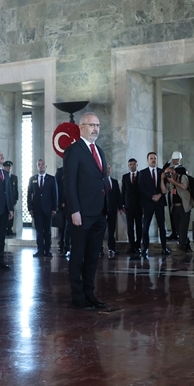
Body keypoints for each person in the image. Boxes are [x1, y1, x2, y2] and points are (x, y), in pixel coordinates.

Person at [64, 112, 109, 309]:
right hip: (81, 213)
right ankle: (77, 296)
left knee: (93, 255)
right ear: (81, 127)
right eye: (92, 125)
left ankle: (89, 292)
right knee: (78, 254)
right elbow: (70, 183)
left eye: (97, 125)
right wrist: (74, 210)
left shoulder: (99, 150)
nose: (95, 129)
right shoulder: (74, 150)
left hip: (99, 213)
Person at [138, 152, 171, 257]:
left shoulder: (162, 172)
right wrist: (152, 197)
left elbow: (165, 188)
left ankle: (164, 247)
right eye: (151, 158)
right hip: (148, 203)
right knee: (146, 226)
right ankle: (145, 248)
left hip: (159, 203)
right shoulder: (142, 173)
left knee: (162, 226)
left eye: (154, 158)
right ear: (147, 160)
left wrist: (159, 195)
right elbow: (141, 188)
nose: (153, 160)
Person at [28, 159, 58, 257]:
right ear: (36, 167)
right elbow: (29, 195)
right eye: (39, 165)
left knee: (47, 231)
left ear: (46, 166)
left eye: (42, 164)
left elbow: (55, 194)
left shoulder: (51, 179)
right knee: (39, 231)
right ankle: (40, 250)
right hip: (37, 209)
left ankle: (47, 250)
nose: (41, 166)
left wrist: (54, 208)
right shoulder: (33, 179)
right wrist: (30, 208)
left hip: (48, 209)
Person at [167, 166, 194, 251]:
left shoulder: (183, 177)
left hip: (184, 206)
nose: (169, 174)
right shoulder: (170, 180)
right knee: (177, 228)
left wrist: (173, 181)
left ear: (174, 171)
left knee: (183, 228)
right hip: (175, 207)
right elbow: (166, 190)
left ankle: (181, 248)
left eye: (170, 172)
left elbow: (184, 187)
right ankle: (186, 244)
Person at [121, 158, 142, 255]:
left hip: (139, 205)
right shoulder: (125, 177)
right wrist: (122, 205)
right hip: (129, 206)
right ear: (128, 166)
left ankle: (138, 245)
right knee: (130, 227)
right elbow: (123, 191)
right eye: (130, 164)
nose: (132, 166)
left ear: (137, 165)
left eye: (134, 164)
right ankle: (131, 246)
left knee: (139, 226)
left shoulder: (141, 175)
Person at [103, 164, 123, 257]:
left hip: (113, 209)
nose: (108, 170)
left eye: (109, 168)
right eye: (106, 168)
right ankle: (99, 249)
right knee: (102, 230)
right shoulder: (100, 181)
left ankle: (112, 247)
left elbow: (118, 195)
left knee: (112, 230)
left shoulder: (114, 182)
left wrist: (120, 207)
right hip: (102, 210)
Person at [3, 160, 20, 236]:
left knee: (11, 214)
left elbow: (15, 188)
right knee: (4, 215)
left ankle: (10, 229)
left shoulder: (14, 177)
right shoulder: (2, 175)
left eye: (10, 167)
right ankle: (4, 229)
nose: (8, 168)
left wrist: (16, 198)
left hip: (12, 199)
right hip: (4, 199)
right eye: (7, 167)